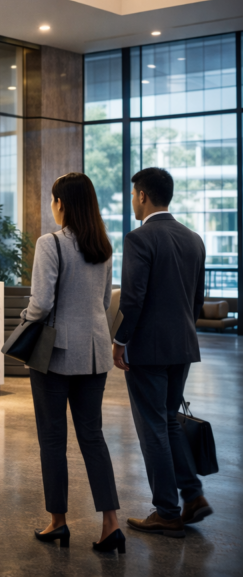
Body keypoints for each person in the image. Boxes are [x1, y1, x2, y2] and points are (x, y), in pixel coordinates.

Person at [22, 173, 124, 553]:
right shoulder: (104, 247)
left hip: (54, 355)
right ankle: (111, 524)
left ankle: (58, 522)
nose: (52, 206)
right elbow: (102, 304)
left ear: (61, 204)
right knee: (93, 436)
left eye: (53, 200)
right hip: (95, 352)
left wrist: (25, 319)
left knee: (52, 438)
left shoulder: (50, 244)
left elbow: (42, 303)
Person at [113, 167, 210, 537]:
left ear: (142, 195)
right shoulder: (193, 239)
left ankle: (167, 511)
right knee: (168, 421)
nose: (133, 200)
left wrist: (120, 341)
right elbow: (197, 300)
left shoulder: (140, 239)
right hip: (183, 345)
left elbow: (133, 298)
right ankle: (192, 495)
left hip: (149, 349)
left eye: (134, 194)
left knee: (152, 426)